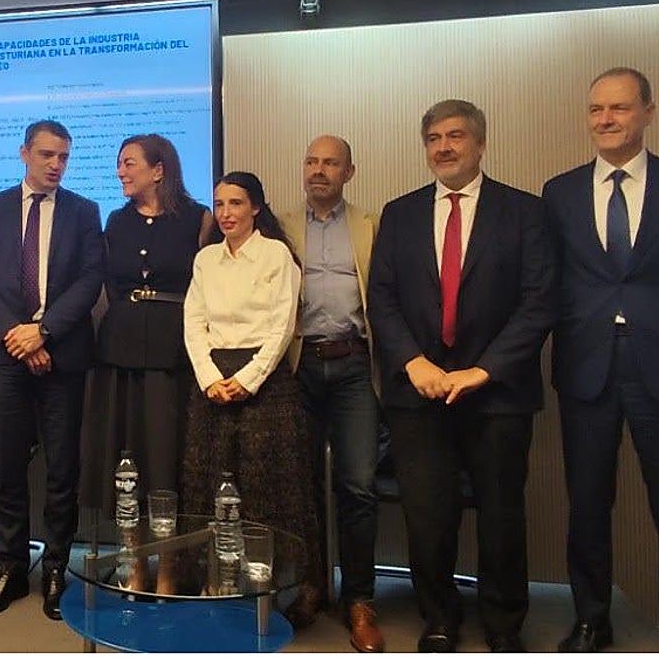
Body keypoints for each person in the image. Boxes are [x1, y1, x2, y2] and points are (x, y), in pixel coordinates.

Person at [368, 100, 554, 653]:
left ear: (480, 143)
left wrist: (484, 369)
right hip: (417, 393)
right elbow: (381, 298)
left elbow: (539, 302)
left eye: (455, 136)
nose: (443, 147)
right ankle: (439, 616)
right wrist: (413, 362)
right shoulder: (399, 213)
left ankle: (503, 622)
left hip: (497, 393)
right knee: (428, 514)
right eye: (433, 138)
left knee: (501, 512)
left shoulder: (525, 211)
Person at [0, 119, 104, 621]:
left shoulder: (84, 211)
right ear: (24, 152)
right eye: (47, 155)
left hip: (63, 356)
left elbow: (91, 280)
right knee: (8, 466)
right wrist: (20, 337)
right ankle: (10, 567)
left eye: (64, 157)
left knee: (62, 467)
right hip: (7, 357)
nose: (55, 165)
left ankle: (55, 567)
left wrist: (42, 333)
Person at [544, 67, 659, 653]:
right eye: (596, 110)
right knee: (588, 502)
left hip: (655, 365)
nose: (606, 120)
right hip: (586, 366)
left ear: (647, 111)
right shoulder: (559, 192)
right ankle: (592, 618)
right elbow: (547, 284)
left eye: (618, 108)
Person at [182, 170, 323, 626]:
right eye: (220, 204)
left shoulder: (277, 254)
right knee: (210, 487)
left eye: (236, 204)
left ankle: (284, 592)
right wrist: (209, 378)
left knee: (272, 491)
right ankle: (217, 587)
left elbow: (283, 326)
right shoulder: (205, 260)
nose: (226, 213)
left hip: (265, 384)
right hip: (212, 384)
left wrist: (247, 379)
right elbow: (193, 321)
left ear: (256, 208)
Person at [278, 135, 384, 652]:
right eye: (311, 160)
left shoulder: (370, 225)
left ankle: (360, 599)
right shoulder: (279, 224)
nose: (319, 170)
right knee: (301, 486)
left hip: (354, 367)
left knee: (358, 483)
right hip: (299, 367)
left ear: (349, 171)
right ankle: (311, 587)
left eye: (331, 163)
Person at [81, 134, 211, 524]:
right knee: (125, 452)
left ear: (158, 170)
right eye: (119, 163)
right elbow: (111, 284)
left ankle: (171, 560)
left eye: (129, 163)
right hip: (119, 349)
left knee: (165, 451)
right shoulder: (116, 220)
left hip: (172, 351)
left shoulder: (198, 217)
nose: (120, 171)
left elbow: (204, 283)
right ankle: (132, 553)